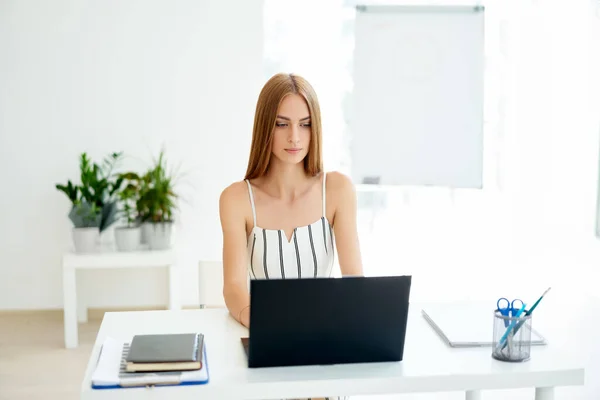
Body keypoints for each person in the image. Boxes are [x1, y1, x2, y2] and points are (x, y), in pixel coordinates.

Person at [219, 72, 363, 400]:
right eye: (282, 124)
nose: (295, 137)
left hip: (323, 346)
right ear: (264, 127)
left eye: (305, 123)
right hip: (267, 349)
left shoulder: (338, 190)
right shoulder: (236, 199)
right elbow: (233, 287)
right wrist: (267, 328)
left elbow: (355, 281)